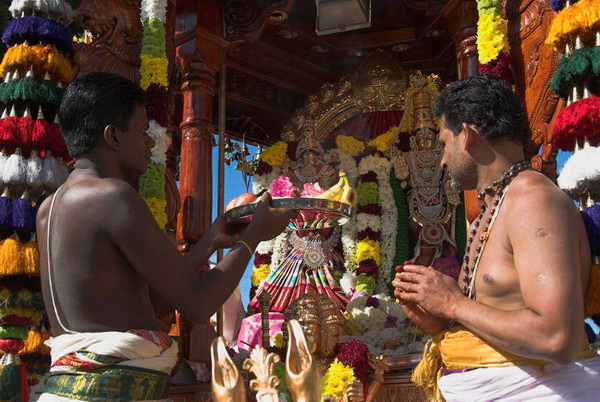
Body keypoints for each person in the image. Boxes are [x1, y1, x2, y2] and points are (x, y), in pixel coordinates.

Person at [35, 72, 295, 401]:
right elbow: (199, 306)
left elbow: (154, 302)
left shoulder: (49, 208)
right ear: (113, 136)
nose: (152, 143)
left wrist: (211, 240)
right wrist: (255, 236)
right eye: (144, 131)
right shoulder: (112, 196)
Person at [392, 73, 600, 401]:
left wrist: (452, 302)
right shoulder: (494, 205)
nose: (443, 160)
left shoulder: (533, 201)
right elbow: (500, 320)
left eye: (444, 143)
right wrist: (441, 322)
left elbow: (555, 337)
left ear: (467, 136)